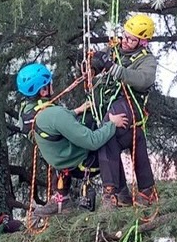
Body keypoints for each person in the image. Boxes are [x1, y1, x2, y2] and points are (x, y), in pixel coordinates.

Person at [16, 63, 128, 217]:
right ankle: (116, 194)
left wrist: (76, 111)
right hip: (79, 164)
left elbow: (53, 125)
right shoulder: (55, 114)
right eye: (49, 83)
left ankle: (61, 196)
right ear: (42, 90)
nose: (51, 84)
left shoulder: (27, 113)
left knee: (87, 118)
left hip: (60, 162)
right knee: (107, 139)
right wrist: (111, 124)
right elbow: (92, 141)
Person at [91, 14, 158, 209]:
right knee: (107, 138)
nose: (126, 41)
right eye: (125, 36)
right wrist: (95, 63)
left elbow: (143, 80)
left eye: (131, 39)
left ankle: (141, 191)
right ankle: (117, 191)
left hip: (131, 105)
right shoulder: (115, 49)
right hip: (113, 104)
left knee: (108, 127)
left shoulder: (147, 61)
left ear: (142, 42)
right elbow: (98, 63)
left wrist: (115, 69)